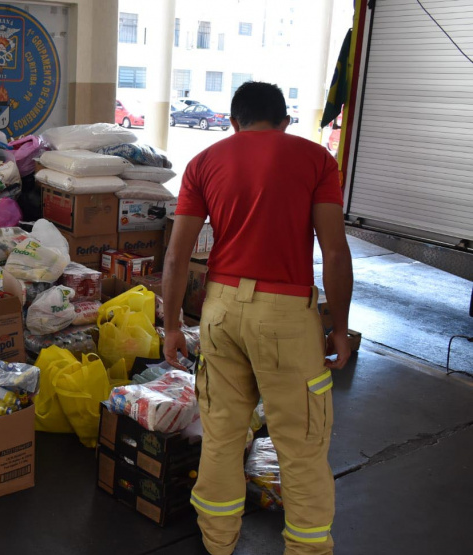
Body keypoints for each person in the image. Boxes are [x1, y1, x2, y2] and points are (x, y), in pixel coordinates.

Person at [161, 81, 353, 555]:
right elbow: (334, 249)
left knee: (223, 436)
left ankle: (218, 544)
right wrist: (341, 327)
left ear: (233, 120)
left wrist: (169, 326)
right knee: (301, 446)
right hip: (286, 313)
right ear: (285, 121)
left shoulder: (204, 162)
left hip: (220, 308)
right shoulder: (315, 160)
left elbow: (176, 257)